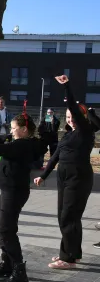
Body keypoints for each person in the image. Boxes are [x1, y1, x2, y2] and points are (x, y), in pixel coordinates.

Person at [34, 75, 94, 269]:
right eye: (68, 118)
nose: (71, 120)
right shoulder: (67, 135)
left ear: (81, 117)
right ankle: (73, 253)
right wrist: (43, 175)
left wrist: (67, 87)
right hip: (64, 177)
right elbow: (55, 157)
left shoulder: (86, 132)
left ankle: (67, 258)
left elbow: (77, 112)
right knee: (65, 216)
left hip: (79, 177)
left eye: (73, 117)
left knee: (68, 216)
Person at [0, 104, 45, 282]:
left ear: (24, 130)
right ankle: (7, 264)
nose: (11, 131)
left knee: (6, 229)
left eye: (13, 129)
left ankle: (19, 272)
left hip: (14, 191)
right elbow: (2, 146)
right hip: (9, 189)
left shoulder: (23, 145)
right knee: (3, 226)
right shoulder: (21, 143)